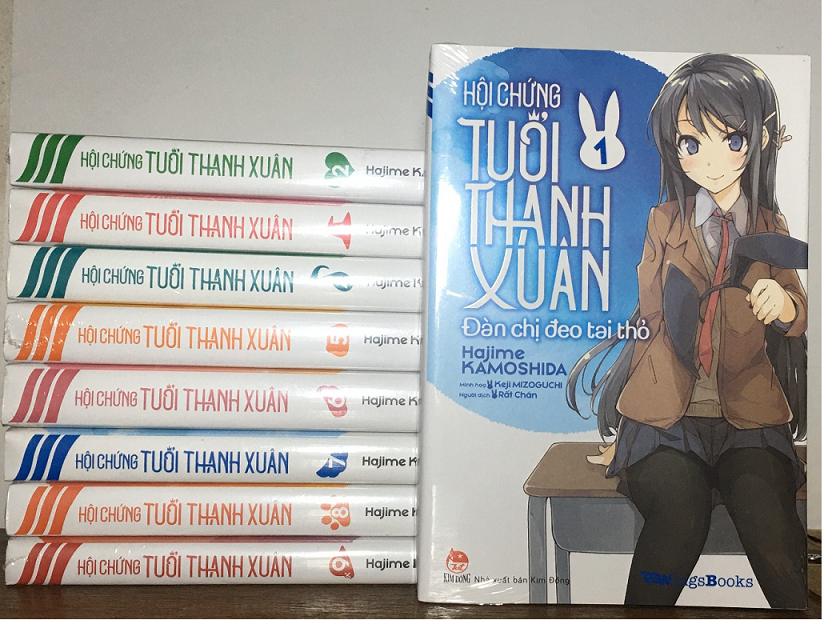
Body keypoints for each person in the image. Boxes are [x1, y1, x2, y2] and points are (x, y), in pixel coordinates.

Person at [566, 53, 808, 608]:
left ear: (759, 140)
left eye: (732, 139)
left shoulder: (769, 226)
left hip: (749, 419)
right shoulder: (664, 222)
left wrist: (784, 306)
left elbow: (799, 311)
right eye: (692, 143)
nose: (712, 160)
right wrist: (626, 425)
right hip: (667, 421)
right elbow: (651, 318)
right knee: (678, 515)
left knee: (770, 521)